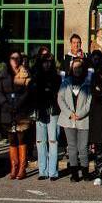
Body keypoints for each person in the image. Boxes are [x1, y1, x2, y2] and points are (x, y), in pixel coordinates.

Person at [0, 52, 33, 180]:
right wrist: (5, 104)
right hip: (7, 110)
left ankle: (22, 168)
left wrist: (19, 103)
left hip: (21, 109)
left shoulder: (25, 72)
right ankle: (14, 166)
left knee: (21, 138)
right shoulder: (4, 73)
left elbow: (28, 90)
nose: (15, 60)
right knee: (11, 139)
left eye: (17, 58)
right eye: (12, 58)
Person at [58, 57, 93, 182]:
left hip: (83, 119)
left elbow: (89, 101)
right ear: (72, 68)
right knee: (72, 147)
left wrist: (81, 114)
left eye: (79, 67)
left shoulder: (87, 83)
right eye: (75, 67)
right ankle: (74, 173)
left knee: (83, 147)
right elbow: (60, 99)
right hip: (69, 119)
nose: (77, 69)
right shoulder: (65, 82)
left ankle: (85, 172)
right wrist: (70, 113)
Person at [31, 53, 61, 181]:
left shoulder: (57, 77)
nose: (47, 64)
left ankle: (53, 171)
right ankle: (42, 171)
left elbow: (58, 94)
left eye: (49, 61)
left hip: (53, 111)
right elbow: (33, 93)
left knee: (53, 141)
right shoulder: (36, 77)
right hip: (40, 111)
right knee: (40, 142)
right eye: (44, 61)